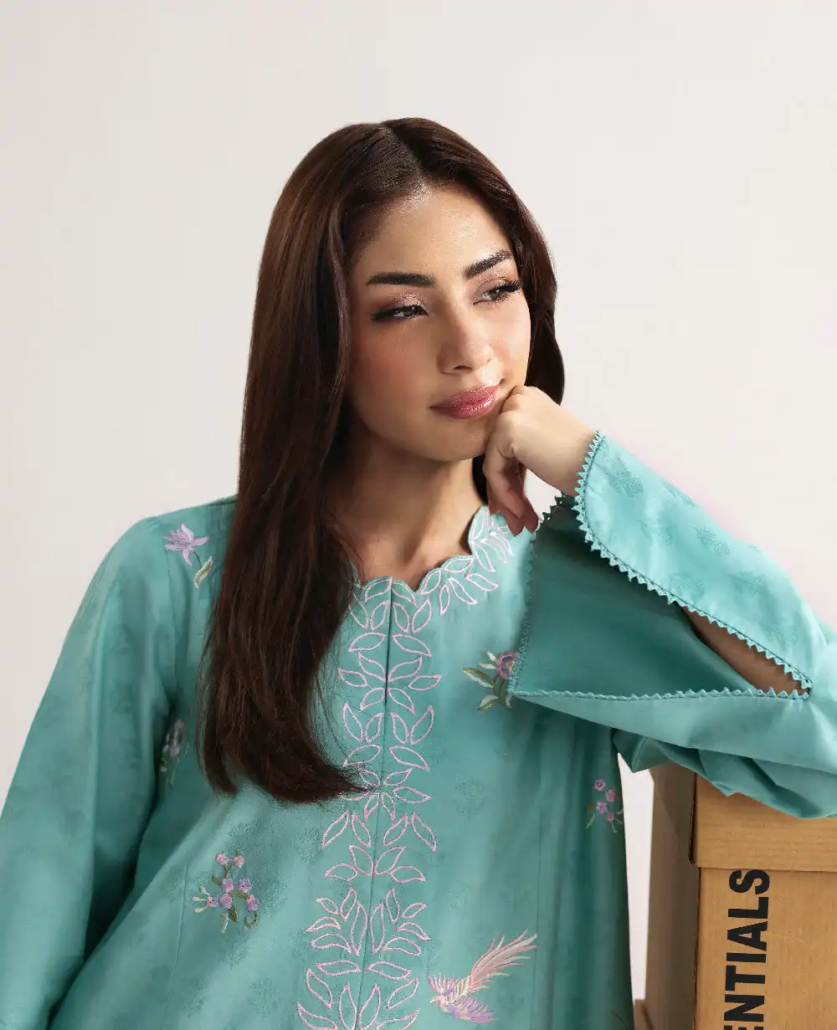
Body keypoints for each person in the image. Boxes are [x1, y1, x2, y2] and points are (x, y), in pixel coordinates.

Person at [0, 116, 834, 1030]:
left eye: (495, 290)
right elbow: (36, 898)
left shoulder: (572, 594)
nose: (470, 349)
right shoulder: (176, 574)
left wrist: (593, 467)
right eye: (403, 309)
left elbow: (821, 726)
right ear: (323, 336)